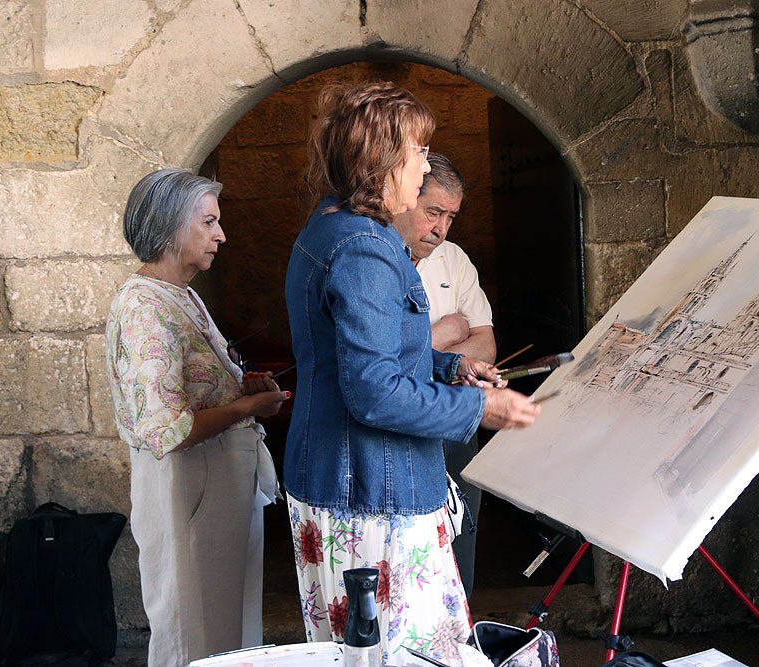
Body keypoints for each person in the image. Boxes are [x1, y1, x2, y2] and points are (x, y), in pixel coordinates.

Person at [284, 82, 540, 667]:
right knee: (401, 655)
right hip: (370, 492)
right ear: (383, 161)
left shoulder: (329, 225)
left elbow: (366, 353)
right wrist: (481, 410)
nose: (425, 166)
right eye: (419, 152)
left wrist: (452, 367)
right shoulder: (364, 247)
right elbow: (373, 392)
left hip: (340, 479)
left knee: (357, 653)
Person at [105, 168, 290, 667]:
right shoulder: (144, 306)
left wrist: (240, 389)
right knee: (192, 626)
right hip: (186, 487)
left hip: (213, 484)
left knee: (226, 623)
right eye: (208, 222)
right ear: (171, 227)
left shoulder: (181, 294)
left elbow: (196, 390)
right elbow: (168, 428)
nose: (221, 234)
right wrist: (245, 408)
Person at [391, 153, 492, 599]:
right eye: (433, 212)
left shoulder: (454, 259)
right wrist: (446, 332)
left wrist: (421, 348)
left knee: (460, 535)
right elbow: (382, 362)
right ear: (405, 198)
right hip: (397, 423)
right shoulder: (374, 260)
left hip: (452, 420)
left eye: (450, 216)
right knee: (407, 550)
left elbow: (486, 347)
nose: (442, 228)